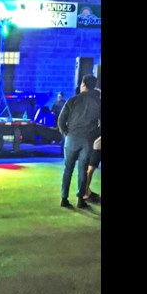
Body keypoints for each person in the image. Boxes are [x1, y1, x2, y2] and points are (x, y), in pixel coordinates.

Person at [57, 75, 101, 209]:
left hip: (71, 137)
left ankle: (64, 198)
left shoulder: (72, 100)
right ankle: (81, 200)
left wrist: (66, 133)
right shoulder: (98, 102)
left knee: (68, 169)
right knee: (83, 169)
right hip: (88, 140)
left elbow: (60, 120)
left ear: (83, 84)